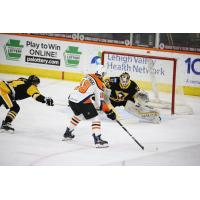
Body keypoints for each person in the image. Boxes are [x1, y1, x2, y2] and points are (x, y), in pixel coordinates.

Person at [63, 65, 116, 148]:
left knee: (79, 115)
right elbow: (99, 104)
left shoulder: (88, 76)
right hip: (82, 101)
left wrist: (93, 95)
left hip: (72, 98)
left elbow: (87, 89)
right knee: (96, 118)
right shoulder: (99, 84)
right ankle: (98, 140)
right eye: (104, 74)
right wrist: (109, 112)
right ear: (102, 74)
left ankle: (68, 132)